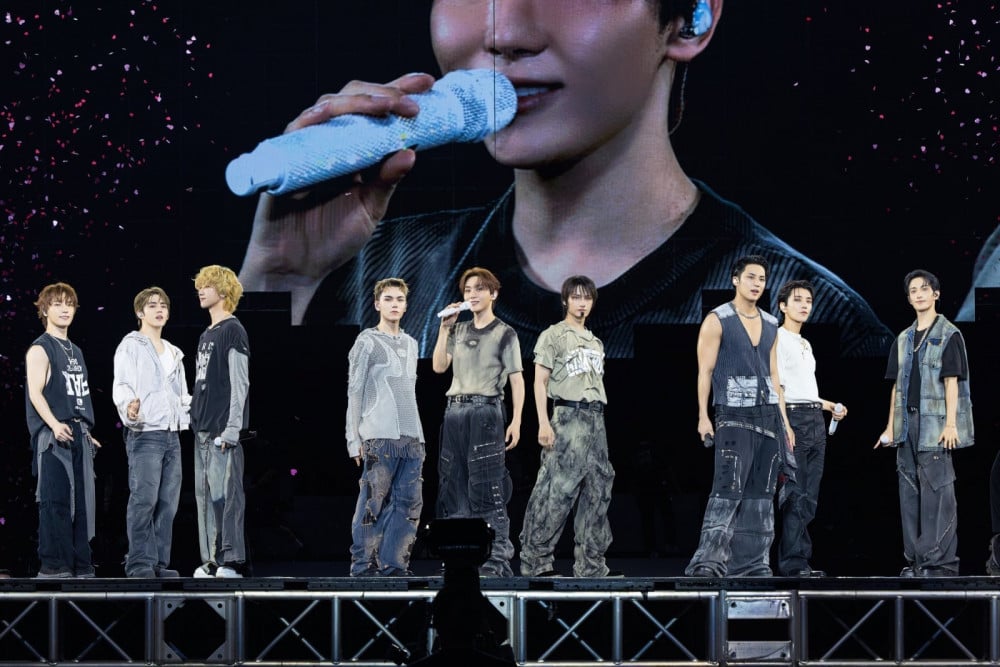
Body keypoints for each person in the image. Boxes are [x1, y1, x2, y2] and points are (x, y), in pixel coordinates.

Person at [237, 0, 891, 360]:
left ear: (691, 17)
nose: (504, 32)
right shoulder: (369, 278)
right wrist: (281, 281)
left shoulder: (814, 321)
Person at [685, 255, 793, 577]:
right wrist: (703, 416)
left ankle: (752, 565)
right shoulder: (718, 319)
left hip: (768, 418)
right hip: (733, 415)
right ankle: (709, 562)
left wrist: (785, 423)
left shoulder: (771, 323)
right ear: (735, 279)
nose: (757, 284)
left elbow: (775, 375)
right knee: (727, 489)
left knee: (762, 494)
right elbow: (704, 371)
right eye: (751, 277)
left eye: (762, 279)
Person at [876, 269, 973, 577]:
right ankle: (915, 562)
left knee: (937, 492)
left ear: (936, 294)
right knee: (908, 492)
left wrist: (951, 424)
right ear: (908, 298)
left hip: (934, 424)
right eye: (913, 290)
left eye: (924, 289)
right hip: (907, 424)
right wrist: (890, 426)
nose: (919, 294)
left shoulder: (948, 334)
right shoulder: (903, 338)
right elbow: (896, 386)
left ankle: (939, 563)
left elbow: (952, 382)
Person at [519, 276, 617, 578]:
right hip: (567, 416)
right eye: (576, 297)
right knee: (556, 490)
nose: (582, 303)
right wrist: (543, 422)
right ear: (565, 301)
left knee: (598, 489)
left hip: (595, 419)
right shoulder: (553, 335)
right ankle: (536, 562)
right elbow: (540, 381)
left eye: (587, 297)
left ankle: (591, 566)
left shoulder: (595, 341)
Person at [433, 267, 524, 577]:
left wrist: (517, 421)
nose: (472, 294)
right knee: (453, 487)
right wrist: (444, 328)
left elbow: (517, 380)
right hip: (455, 411)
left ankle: (496, 561)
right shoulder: (457, 330)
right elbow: (438, 367)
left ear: (493, 294)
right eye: (468, 289)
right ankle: (459, 560)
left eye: (479, 288)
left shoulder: (505, 332)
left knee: (487, 488)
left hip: (486, 412)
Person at [346, 278, 426, 576]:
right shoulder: (367, 341)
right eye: (389, 299)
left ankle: (394, 565)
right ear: (377, 304)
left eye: (400, 299)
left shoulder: (411, 343)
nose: (394, 304)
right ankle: (363, 566)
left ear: (405, 306)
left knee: (408, 504)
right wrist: (353, 438)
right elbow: (355, 391)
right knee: (372, 502)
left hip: (412, 435)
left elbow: (409, 391)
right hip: (379, 435)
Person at [112, 287, 191, 578]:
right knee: (144, 499)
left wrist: (193, 409)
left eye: (163, 305)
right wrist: (129, 408)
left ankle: (158, 564)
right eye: (152, 305)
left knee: (168, 503)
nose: (159, 309)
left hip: (172, 434)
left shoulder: (173, 351)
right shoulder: (131, 345)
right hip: (146, 433)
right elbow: (122, 384)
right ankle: (138, 563)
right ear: (140, 312)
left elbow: (181, 395)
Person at [25, 282, 102, 578]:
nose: (65, 308)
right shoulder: (40, 348)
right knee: (56, 500)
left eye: (69, 303)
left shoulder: (76, 351)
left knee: (83, 504)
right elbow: (35, 393)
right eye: (57, 303)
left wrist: (86, 431)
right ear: (45, 310)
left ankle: (81, 565)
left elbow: (77, 395)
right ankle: (55, 565)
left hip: (78, 432)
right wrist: (54, 424)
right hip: (53, 435)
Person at [773, 280, 847, 578]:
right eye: (798, 300)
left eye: (808, 301)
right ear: (783, 306)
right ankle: (792, 564)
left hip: (815, 418)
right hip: (795, 419)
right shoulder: (777, 338)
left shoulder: (805, 343)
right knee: (795, 494)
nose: (804, 305)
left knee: (810, 497)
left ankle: (801, 560)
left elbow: (805, 390)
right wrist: (785, 426)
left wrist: (830, 406)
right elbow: (778, 387)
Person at [191, 265, 252, 578]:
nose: (201, 290)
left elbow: (240, 382)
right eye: (200, 285)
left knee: (227, 498)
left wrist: (232, 428)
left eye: (208, 285)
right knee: (206, 499)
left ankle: (231, 561)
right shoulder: (206, 334)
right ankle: (213, 560)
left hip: (221, 430)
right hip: (202, 430)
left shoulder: (233, 330)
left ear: (224, 290)